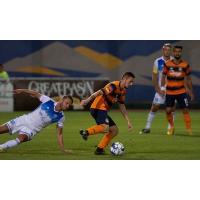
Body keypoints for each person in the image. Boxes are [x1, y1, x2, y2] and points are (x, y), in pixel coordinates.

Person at [0, 89, 73, 152]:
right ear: (62, 100)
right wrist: (22, 90)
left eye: (69, 105)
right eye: (67, 103)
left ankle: (1, 147)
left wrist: (63, 149)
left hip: (32, 129)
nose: (67, 106)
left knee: (21, 139)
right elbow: (35, 93)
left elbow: (59, 134)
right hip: (24, 120)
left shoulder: (61, 117)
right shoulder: (48, 101)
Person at [79, 72, 135, 155]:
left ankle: (99, 149)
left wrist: (128, 121)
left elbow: (122, 106)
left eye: (132, 82)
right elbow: (99, 92)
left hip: (103, 110)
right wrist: (87, 100)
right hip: (97, 108)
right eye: (130, 81)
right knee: (105, 127)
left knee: (114, 130)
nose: (131, 84)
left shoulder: (123, 91)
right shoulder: (113, 86)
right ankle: (86, 132)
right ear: (125, 79)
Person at [140, 43, 175, 134]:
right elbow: (154, 77)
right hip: (161, 89)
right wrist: (158, 89)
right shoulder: (158, 61)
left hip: (172, 89)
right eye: (166, 49)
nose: (167, 51)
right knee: (154, 107)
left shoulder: (174, 61)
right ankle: (147, 127)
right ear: (163, 50)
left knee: (171, 108)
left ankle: (170, 128)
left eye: (169, 49)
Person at [161, 45, 194, 135]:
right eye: (176, 51)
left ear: (181, 53)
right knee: (168, 110)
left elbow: (188, 79)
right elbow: (163, 76)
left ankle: (188, 128)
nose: (177, 53)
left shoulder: (185, 65)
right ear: (173, 52)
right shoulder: (167, 64)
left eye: (179, 51)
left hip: (181, 91)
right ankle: (171, 127)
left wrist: (190, 91)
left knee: (185, 110)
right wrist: (163, 88)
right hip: (169, 92)